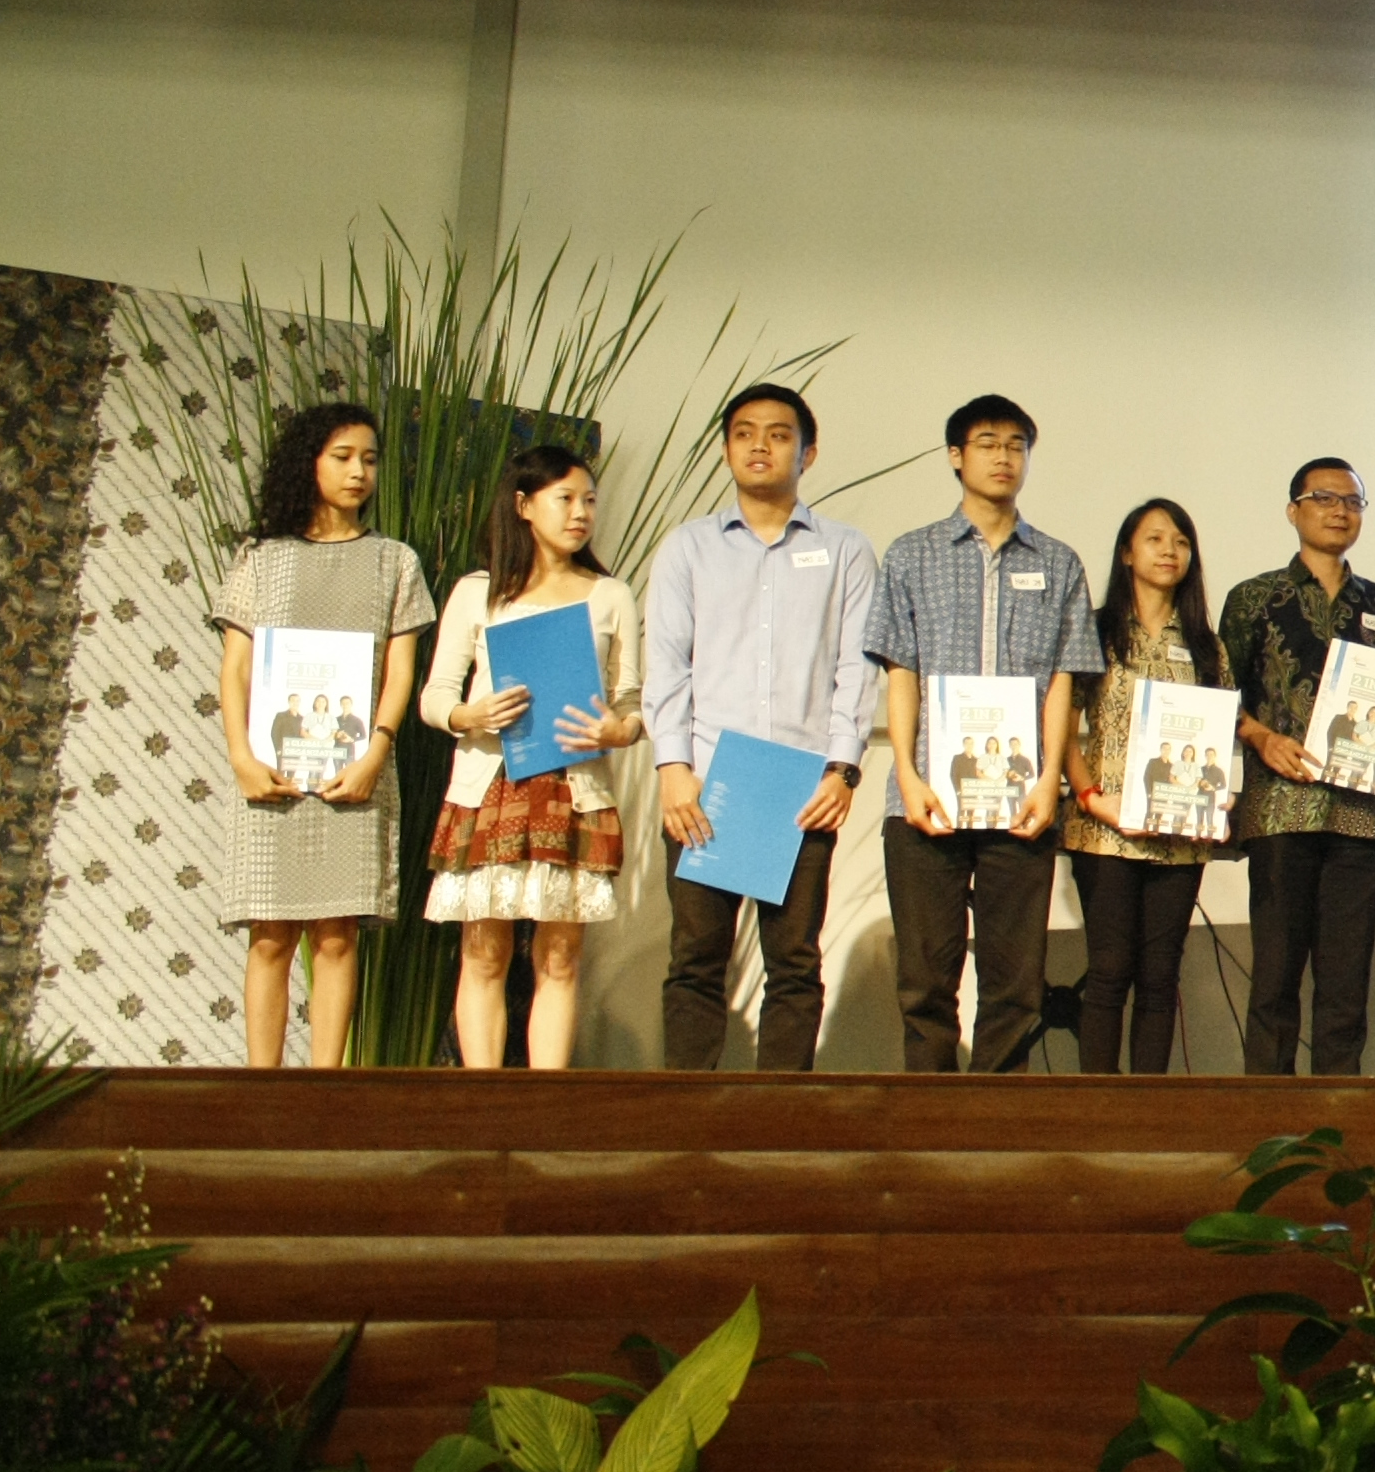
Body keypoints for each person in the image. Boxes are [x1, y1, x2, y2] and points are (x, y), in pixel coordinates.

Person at [648, 382, 877, 1072]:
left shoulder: (846, 550)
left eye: (779, 434)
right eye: (745, 433)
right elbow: (667, 664)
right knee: (695, 960)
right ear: (726, 449)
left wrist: (842, 770)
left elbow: (856, 666)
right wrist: (673, 769)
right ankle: (688, 1117)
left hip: (801, 787)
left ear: (808, 453)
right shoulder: (688, 548)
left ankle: (781, 1118)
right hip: (707, 784)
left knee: (795, 964)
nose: (760, 446)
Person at [870, 395, 1102, 1075]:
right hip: (927, 799)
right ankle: (931, 1120)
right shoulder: (911, 555)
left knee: (1015, 988)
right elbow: (902, 672)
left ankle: (996, 1124)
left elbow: (1063, 683)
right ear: (956, 456)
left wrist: (1049, 780)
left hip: (1022, 802)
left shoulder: (1059, 562)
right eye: (988, 443)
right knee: (924, 984)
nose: (1004, 457)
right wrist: (907, 775)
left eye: (1016, 445)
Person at [209, 400, 434, 1070]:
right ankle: (263, 1089)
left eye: (369, 459)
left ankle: (325, 1089)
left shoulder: (394, 561)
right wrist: (242, 758)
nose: (359, 471)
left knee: (337, 936)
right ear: (309, 462)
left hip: (356, 770)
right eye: (343, 457)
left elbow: (399, 671)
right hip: (270, 770)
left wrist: (375, 755)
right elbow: (236, 668)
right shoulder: (261, 559)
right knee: (270, 936)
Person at [420, 443, 643, 1070]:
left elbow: (632, 703)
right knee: (484, 953)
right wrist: (468, 715)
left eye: (589, 500)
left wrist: (618, 731)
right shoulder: (478, 591)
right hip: (491, 783)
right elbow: (435, 696)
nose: (580, 513)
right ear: (523, 505)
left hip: (572, 788)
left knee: (560, 957)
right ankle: (484, 1097)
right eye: (564, 499)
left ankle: (547, 1097)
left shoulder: (609, 595)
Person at [1220, 457, 1375, 1077]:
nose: (1339, 511)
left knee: (1345, 987)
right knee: (1274, 980)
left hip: (1360, 815)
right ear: (1293, 510)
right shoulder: (1253, 599)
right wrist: (1260, 736)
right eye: (1324, 498)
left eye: (1352, 501)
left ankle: (1340, 1114)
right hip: (1280, 811)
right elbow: (1220, 697)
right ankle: (1266, 1116)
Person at [1060, 498, 1224, 1075]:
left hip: (1180, 836)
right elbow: (1061, 729)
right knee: (1108, 972)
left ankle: (1151, 1109)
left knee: (1160, 977)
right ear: (1127, 553)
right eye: (1155, 539)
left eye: (1180, 541)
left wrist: (1218, 795)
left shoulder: (1206, 643)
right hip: (1105, 829)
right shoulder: (1095, 630)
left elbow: (1217, 733)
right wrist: (1090, 797)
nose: (1169, 551)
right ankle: (1100, 1106)